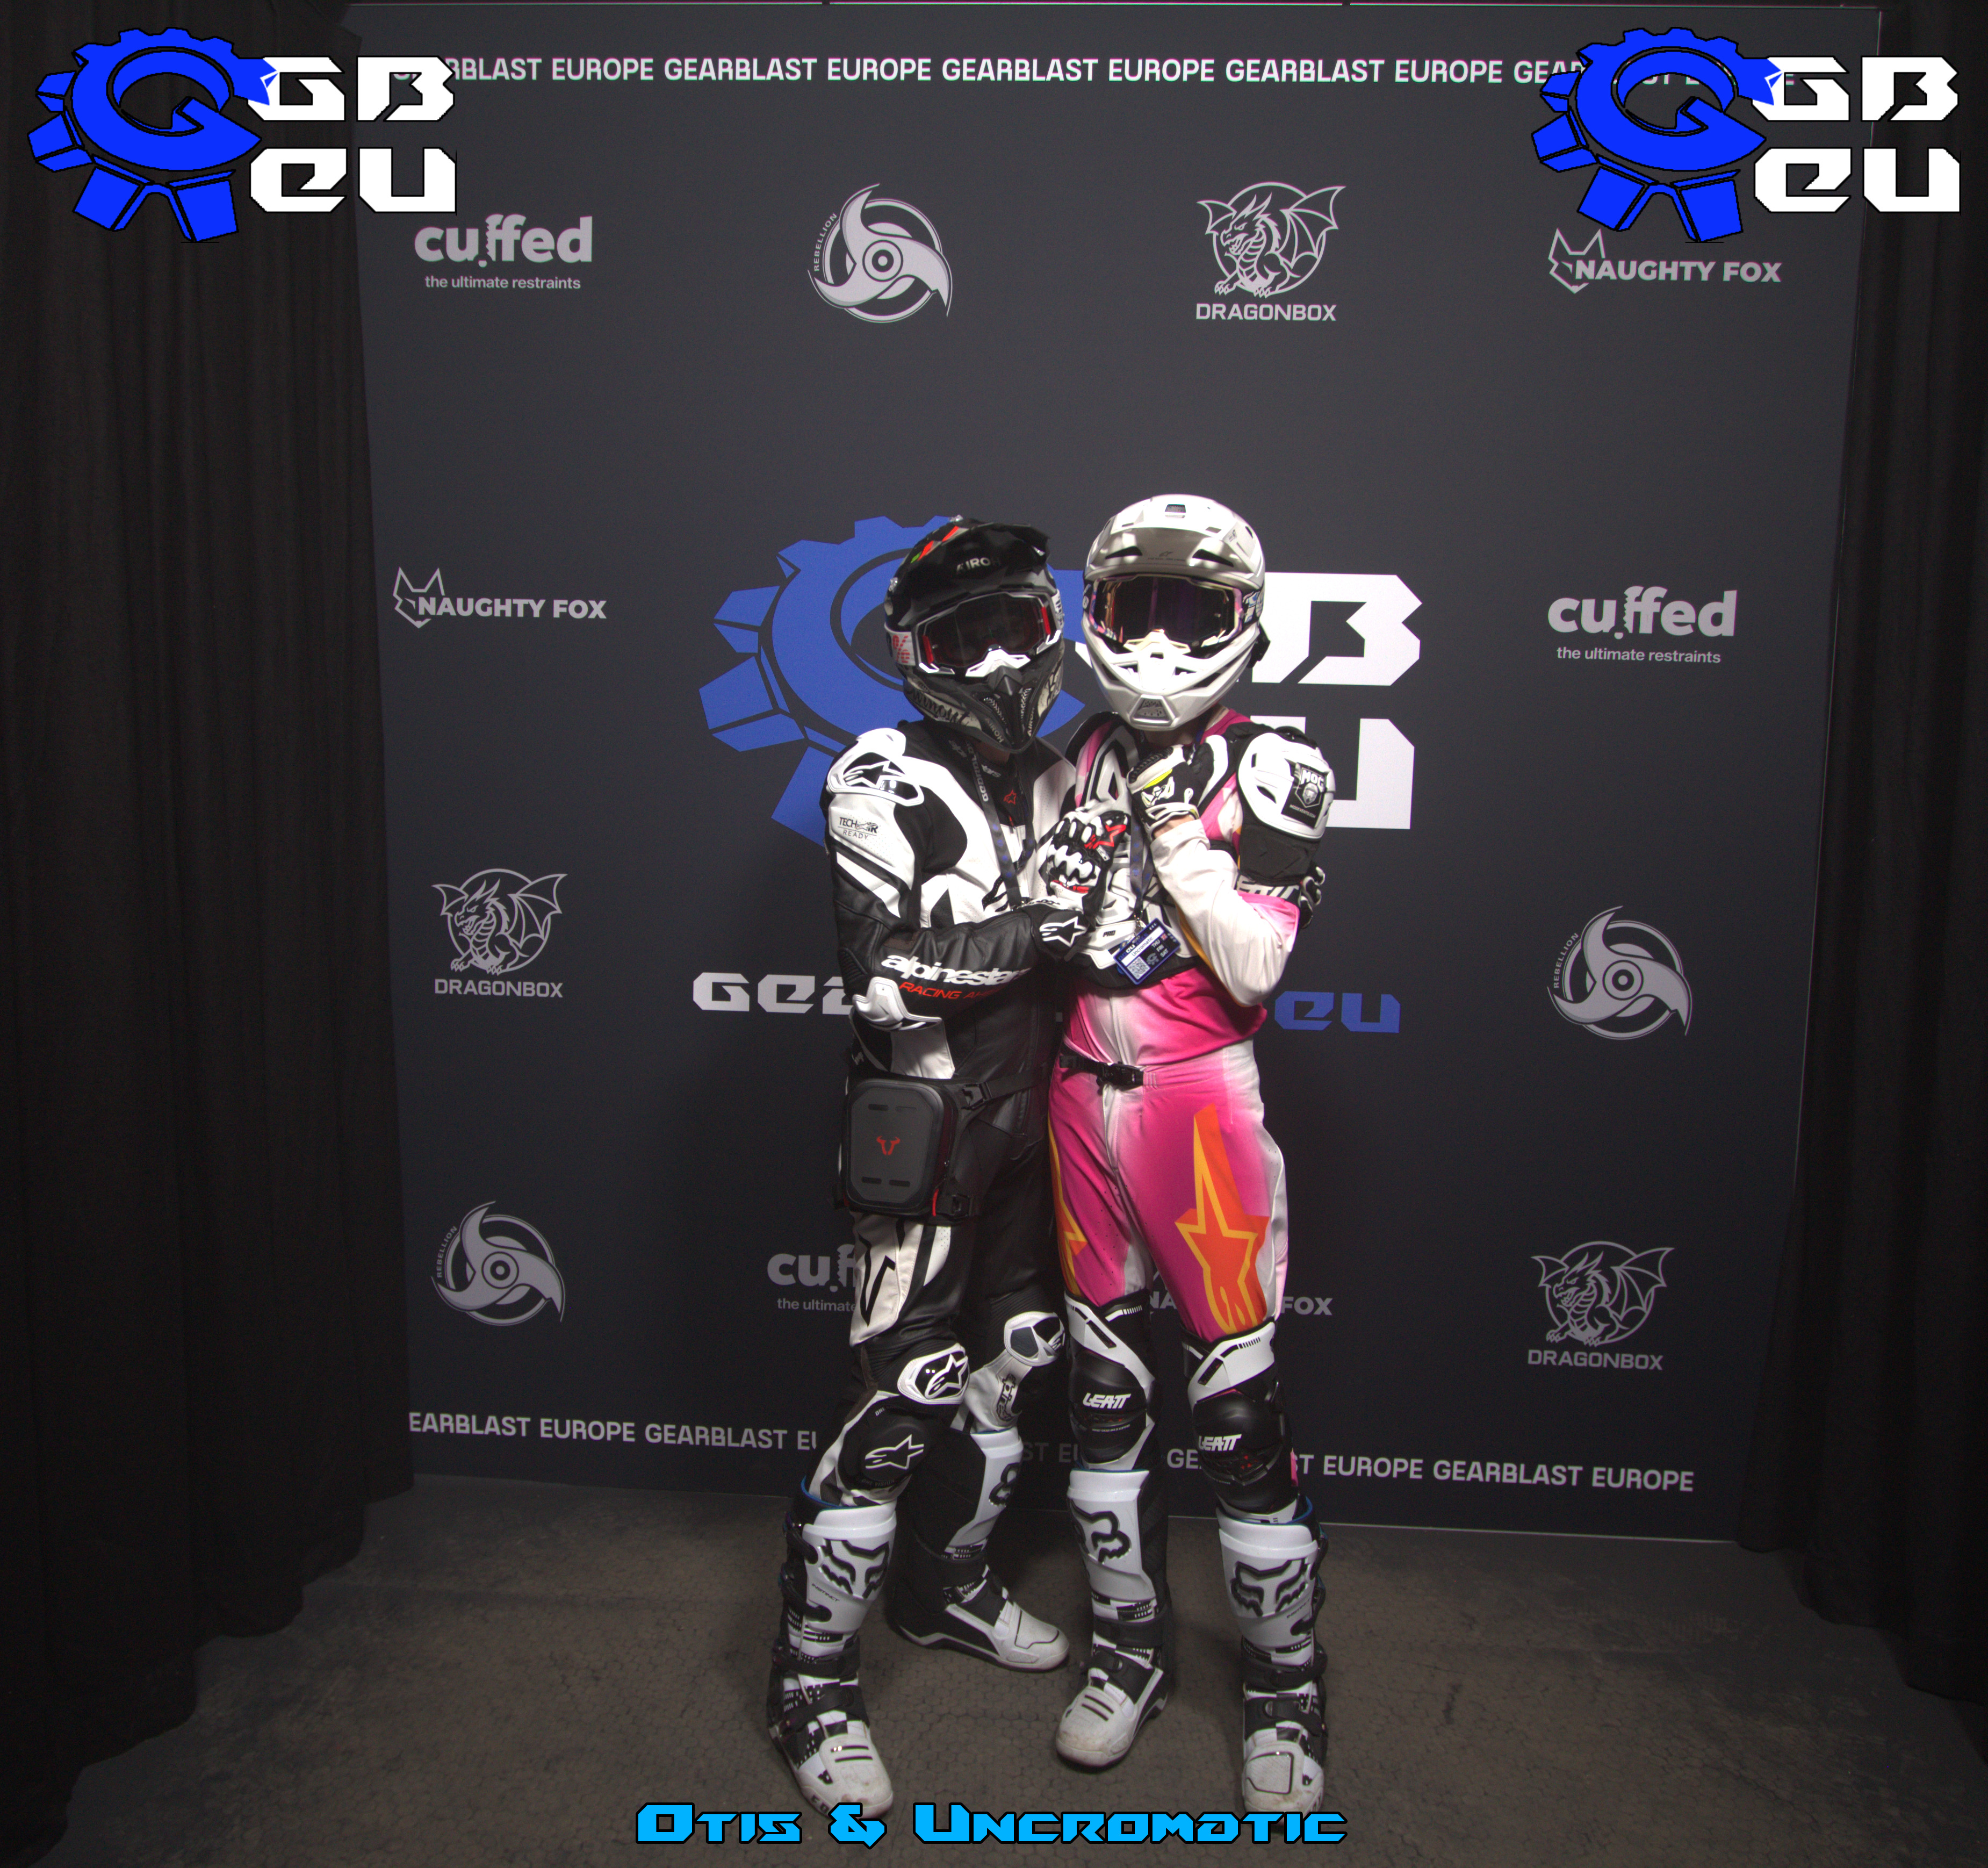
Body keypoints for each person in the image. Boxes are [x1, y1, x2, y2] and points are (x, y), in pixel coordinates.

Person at [767, 519, 1129, 1819]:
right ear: (910, 658)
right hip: (922, 1123)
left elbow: (1113, 942)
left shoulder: (1070, 772)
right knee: (898, 1398)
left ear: (1050, 628)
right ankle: (809, 1682)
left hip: (1039, 1119)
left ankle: (941, 1589)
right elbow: (883, 975)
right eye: (954, 641)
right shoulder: (878, 771)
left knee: (1016, 1360)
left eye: (1011, 629)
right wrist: (1046, 921)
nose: (990, 665)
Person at [1046, 494, 1336, 1815]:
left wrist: (1177, 847)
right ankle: (1127, 1648)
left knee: (1233, 1409)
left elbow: (1257, 963)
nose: (1157, 642)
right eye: (1134, 608)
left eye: (1189, 612)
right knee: (1102, 1395)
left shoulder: (1274, 764)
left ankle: (1285, 1683)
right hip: (1075, 1092)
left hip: (1194, 1104)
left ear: (1239, 623)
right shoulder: (1069, 754)